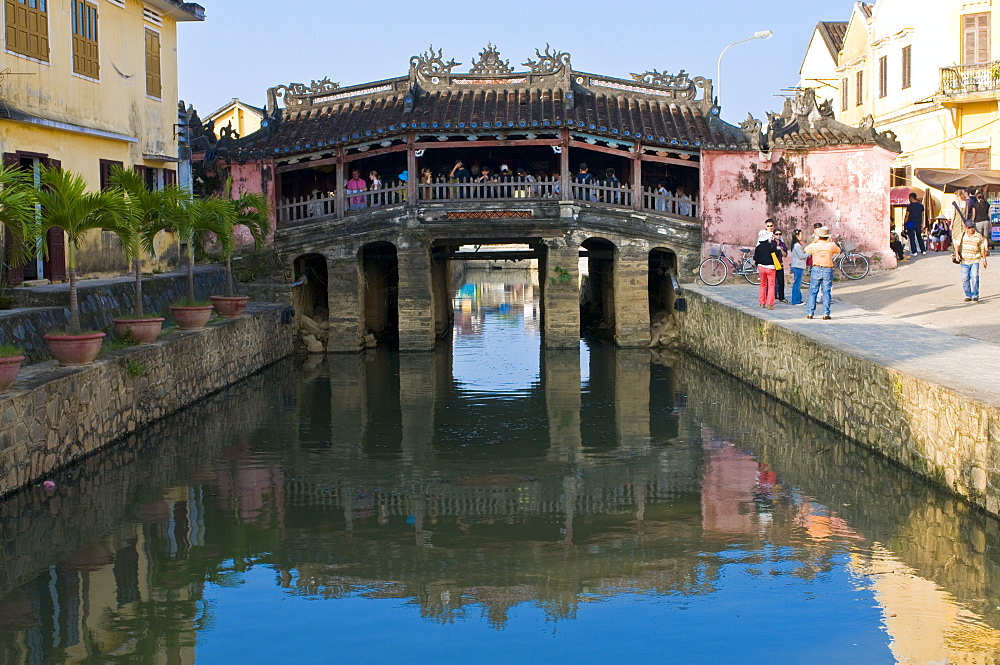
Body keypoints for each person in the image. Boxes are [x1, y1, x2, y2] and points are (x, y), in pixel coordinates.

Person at [805, 226, 841, 320]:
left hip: (816, 268)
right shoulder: (831, 244)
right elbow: (838, 251)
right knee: (826, 292)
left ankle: (810, 313)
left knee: (813, 292)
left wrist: (815, 241)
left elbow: (806, 250)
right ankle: (826, 313)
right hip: (827, 269)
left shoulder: (815, 244)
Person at [954, 219, 989, 302]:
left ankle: (975, 294)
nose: (971, 229)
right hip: (964, 260)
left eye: (972, 227)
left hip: (975, 259)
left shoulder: (978, 236)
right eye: (969, 227)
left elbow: (982, 248)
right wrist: (956, 254)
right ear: (966, 228)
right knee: (965, 278)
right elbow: (956, 245)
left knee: (975, 277)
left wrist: (984, 259)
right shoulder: (962, 235)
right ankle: (968, 295)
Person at [753, 229, 780, 309]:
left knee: (762, 285)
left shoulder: (758, 247)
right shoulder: (771, 246)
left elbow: (755, 258)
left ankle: (762, 302)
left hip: (761, 267)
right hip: (770, 268)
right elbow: (777, 254)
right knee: (771, 285)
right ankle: (770, 304)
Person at [789, 229, 808, 305]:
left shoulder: (797, 245)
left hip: (798, 266)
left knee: (797, 283)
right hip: (798, 266)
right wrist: (809, 253)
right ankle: (796, 300)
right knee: (797, 284)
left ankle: (798, 299)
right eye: (800, 235)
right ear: (797, 236)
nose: (802, 236)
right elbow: (801, 256)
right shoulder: (797, 245)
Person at [772, 227, 789, 303]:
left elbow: (785, 255)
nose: (778, 236)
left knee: (781, 281)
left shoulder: (782, 244)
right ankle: (772, 295)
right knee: (772, 281)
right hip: (772, 264)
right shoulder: (771, 243)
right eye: (777, 234)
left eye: (779, 234)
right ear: (774, 235)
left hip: (780, 263)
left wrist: (781, 249)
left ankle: (781, 297)